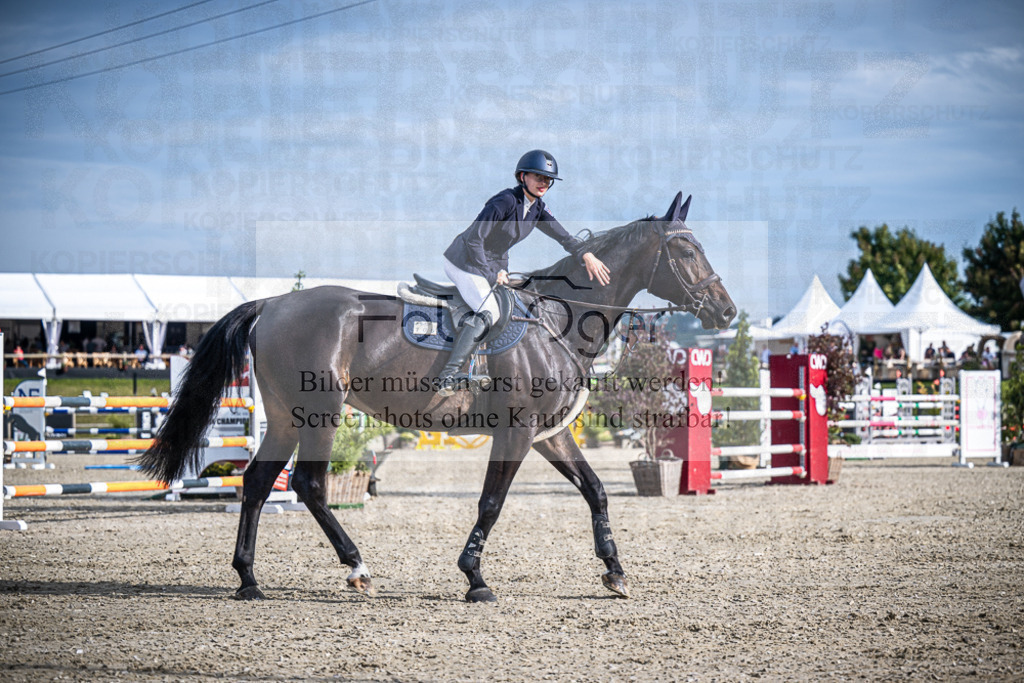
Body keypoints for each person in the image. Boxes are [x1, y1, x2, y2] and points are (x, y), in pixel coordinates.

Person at [437, 149, 611, 396]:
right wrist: (490, 274)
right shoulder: (504, 201)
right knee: (489, 310)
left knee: (515, 307)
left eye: (548, 180)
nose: (544, 183)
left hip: (492, 266)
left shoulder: (537, 208)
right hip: (464, 261)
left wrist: (586, 254)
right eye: (539, 177)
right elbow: (475, 239)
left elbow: (563, 237)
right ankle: (448, 376)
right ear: (522, 176)